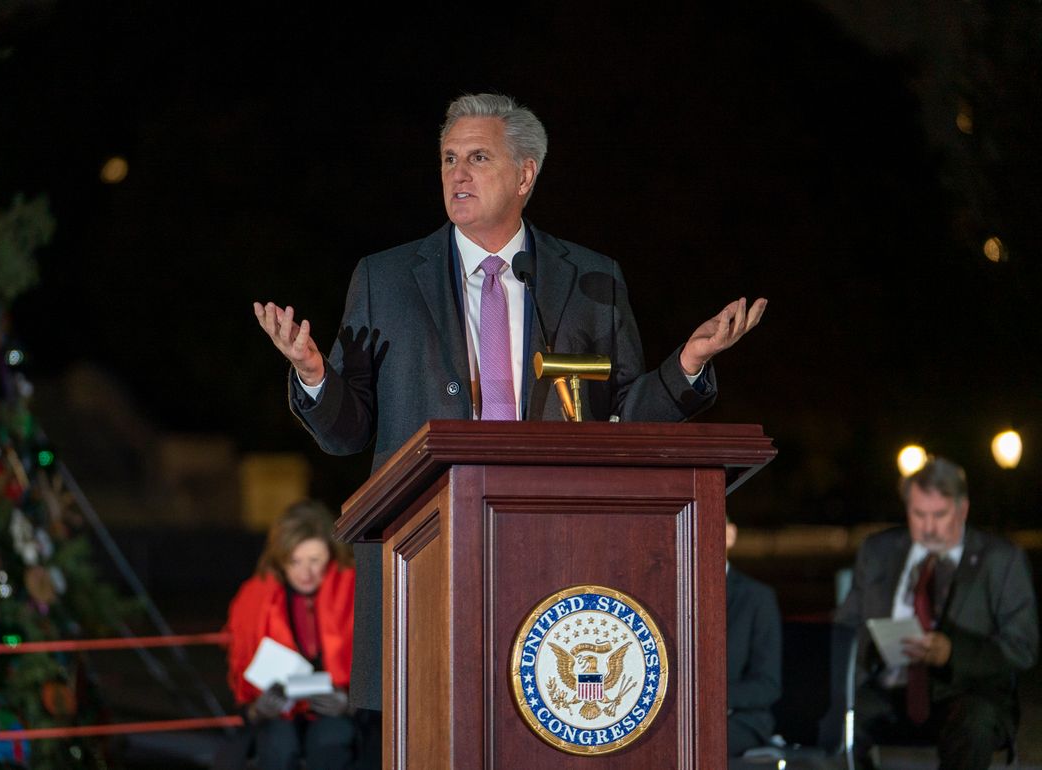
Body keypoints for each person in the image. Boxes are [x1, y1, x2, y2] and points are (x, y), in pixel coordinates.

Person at [254, 92, 767, 714]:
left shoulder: (589, 277)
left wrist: (686, 365)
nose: (457, 174)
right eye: (447, 159)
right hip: (426, 552)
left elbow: (624, 421)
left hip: (558, 552)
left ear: (526, 174)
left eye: (477, 157)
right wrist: (314, 375)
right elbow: (348, 431)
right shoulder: (383, 279)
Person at [835, 456, 1039, 770]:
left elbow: (1022, 647)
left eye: (939, 515)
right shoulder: (878, 551)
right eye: (919, 514)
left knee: (974, 720)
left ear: (963, 509)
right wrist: (873, 648)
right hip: (889, 690)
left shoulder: (1001, 561)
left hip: (966, 694)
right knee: (836, 715)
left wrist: (951, 653)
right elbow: (846, 628)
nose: (928, 527)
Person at [220, 500, 360, 770]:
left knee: (332, 739)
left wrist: (350, 705)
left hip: (338, 711)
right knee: (278, 743)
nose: (305, 574)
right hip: (277, 714)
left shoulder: (353, 590)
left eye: (315, 561)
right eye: (294, 561)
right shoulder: (255, 599)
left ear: (331, 556)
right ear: (280, 561)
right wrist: (258, 710)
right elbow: (243, 680)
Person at [725, 517, 782, 757]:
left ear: (730, 534)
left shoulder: (756, 598)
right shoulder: (670, 595)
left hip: (740, 719)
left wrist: (711, 700)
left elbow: (767, 685)